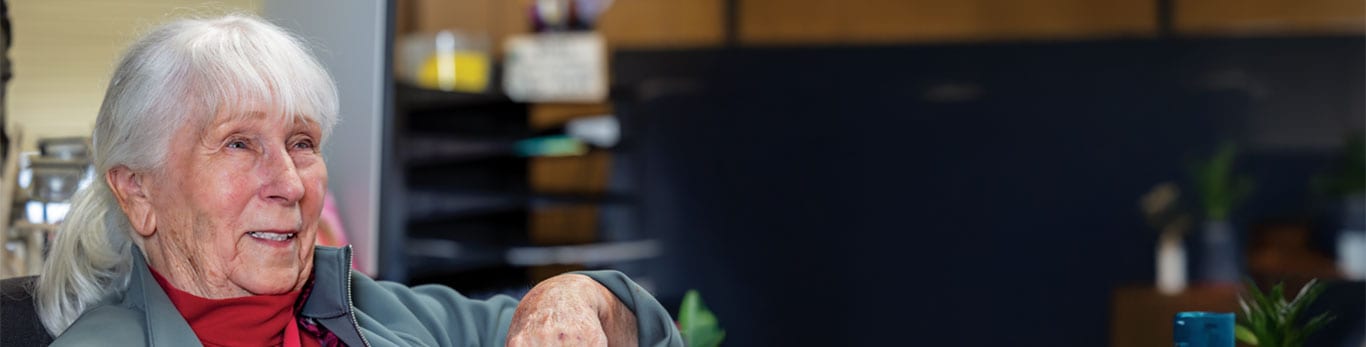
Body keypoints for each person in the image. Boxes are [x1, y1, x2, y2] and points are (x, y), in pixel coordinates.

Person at [34, 14, 681, 346]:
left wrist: (566, 297)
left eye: (303, 143)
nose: (289, 182)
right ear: (137, 192)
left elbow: (649, 331)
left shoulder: (382, 312)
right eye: (238, 143)